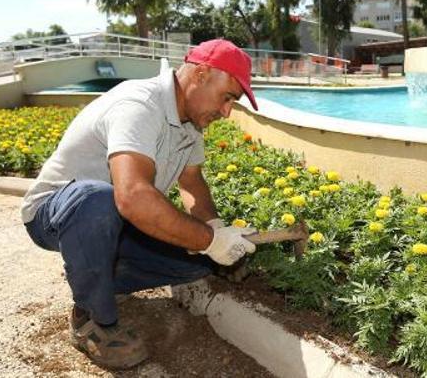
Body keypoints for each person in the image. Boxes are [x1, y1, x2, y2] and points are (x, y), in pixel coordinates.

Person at [20, 39, 260, 369]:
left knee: (196, 264)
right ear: (202, 74)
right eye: (228, 97)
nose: (226, 111)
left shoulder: (189, 123)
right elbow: (132, 197)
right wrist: (211, 240)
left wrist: (215, 232)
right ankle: (92, 318)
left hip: (116, 221)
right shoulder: (140, 104)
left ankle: (96, 272)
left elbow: (192, 183)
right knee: (98, 199)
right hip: (58, 211)